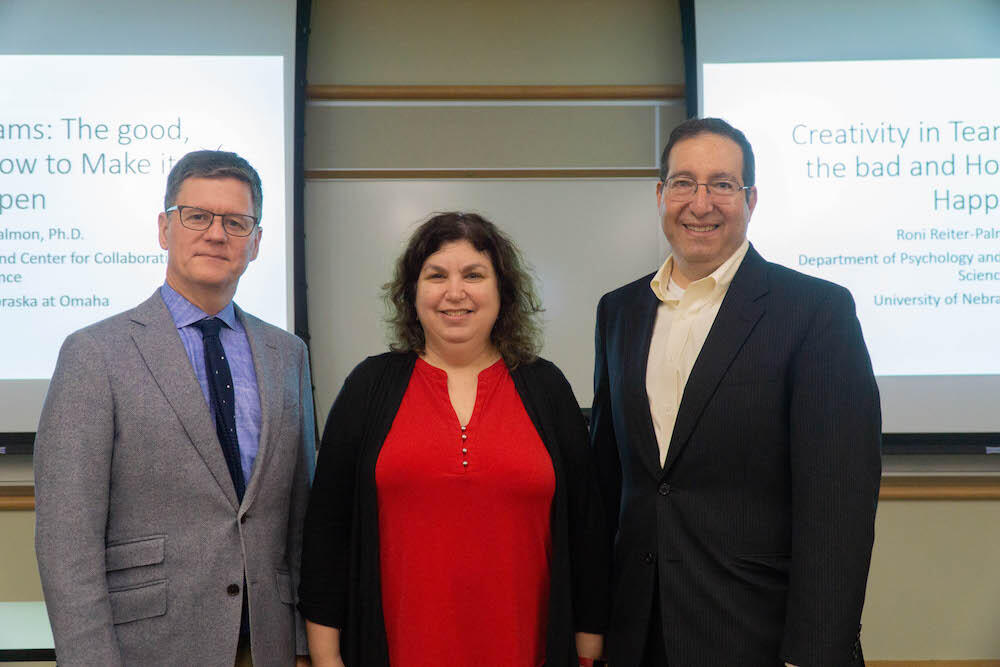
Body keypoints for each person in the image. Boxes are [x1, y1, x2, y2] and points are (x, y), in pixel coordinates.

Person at [590, 118, 882, 667]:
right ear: (660, 195)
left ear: (750, 199)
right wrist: (596, 622)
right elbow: (610, 482)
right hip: (637, 633)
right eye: (683, 183)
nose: (701, 203)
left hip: (758, 634)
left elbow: (839, 503)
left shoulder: (815, 311)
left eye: (722, 184)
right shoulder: (619, 312)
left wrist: (817, 651)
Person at [34, 150, 315, 666]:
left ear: (255, 243)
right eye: (197, 216)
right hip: (149, 649)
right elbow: (66, 542)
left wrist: (301, 647)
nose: (216, 234)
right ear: (165, 228)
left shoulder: (287, 354)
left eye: (236, 222)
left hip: (268, 645)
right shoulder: (95, 353)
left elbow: (299, 520)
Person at [298, 212, 609, 667]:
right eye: (436, 275)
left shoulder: (548, 389)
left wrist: (588, 648)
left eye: (474, 275)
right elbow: (327, 532)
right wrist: (327, 660)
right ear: (413, 292)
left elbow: (588, 528)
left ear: (503, 292)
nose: (455, 292)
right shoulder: (369, 387)